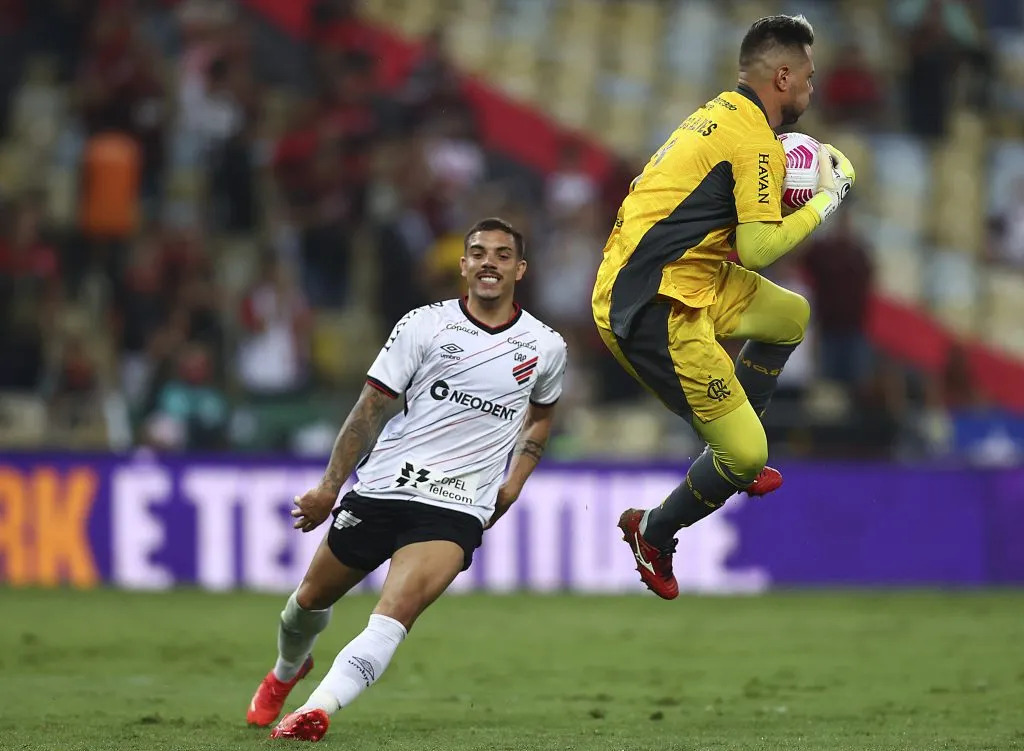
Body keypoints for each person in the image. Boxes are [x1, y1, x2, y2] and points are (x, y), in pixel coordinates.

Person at [247, 217, 567, 741]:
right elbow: (370, 407)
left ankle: (317, 709)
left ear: (520, 269)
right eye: (479, 253)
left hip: (456, 505)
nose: (490, 262)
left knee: (393, 613)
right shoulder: (423, 324)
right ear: (463, 265)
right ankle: (287, 672)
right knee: (306, 603)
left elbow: (542, 415)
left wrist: (515, 481)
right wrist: (331, 486)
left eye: (503, 255)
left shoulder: (545, 346)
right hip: (384, 487)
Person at [591, 14, 856, 600]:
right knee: (743, 456)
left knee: (790, 316)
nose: (812, 88)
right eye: (809, 77)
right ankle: (653, 533)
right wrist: (824, 200)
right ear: (783, 77)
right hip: (650, 303)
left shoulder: (720, 114)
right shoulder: (753, 141)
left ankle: (740, 443)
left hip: (690, 273)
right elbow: (759, 250)